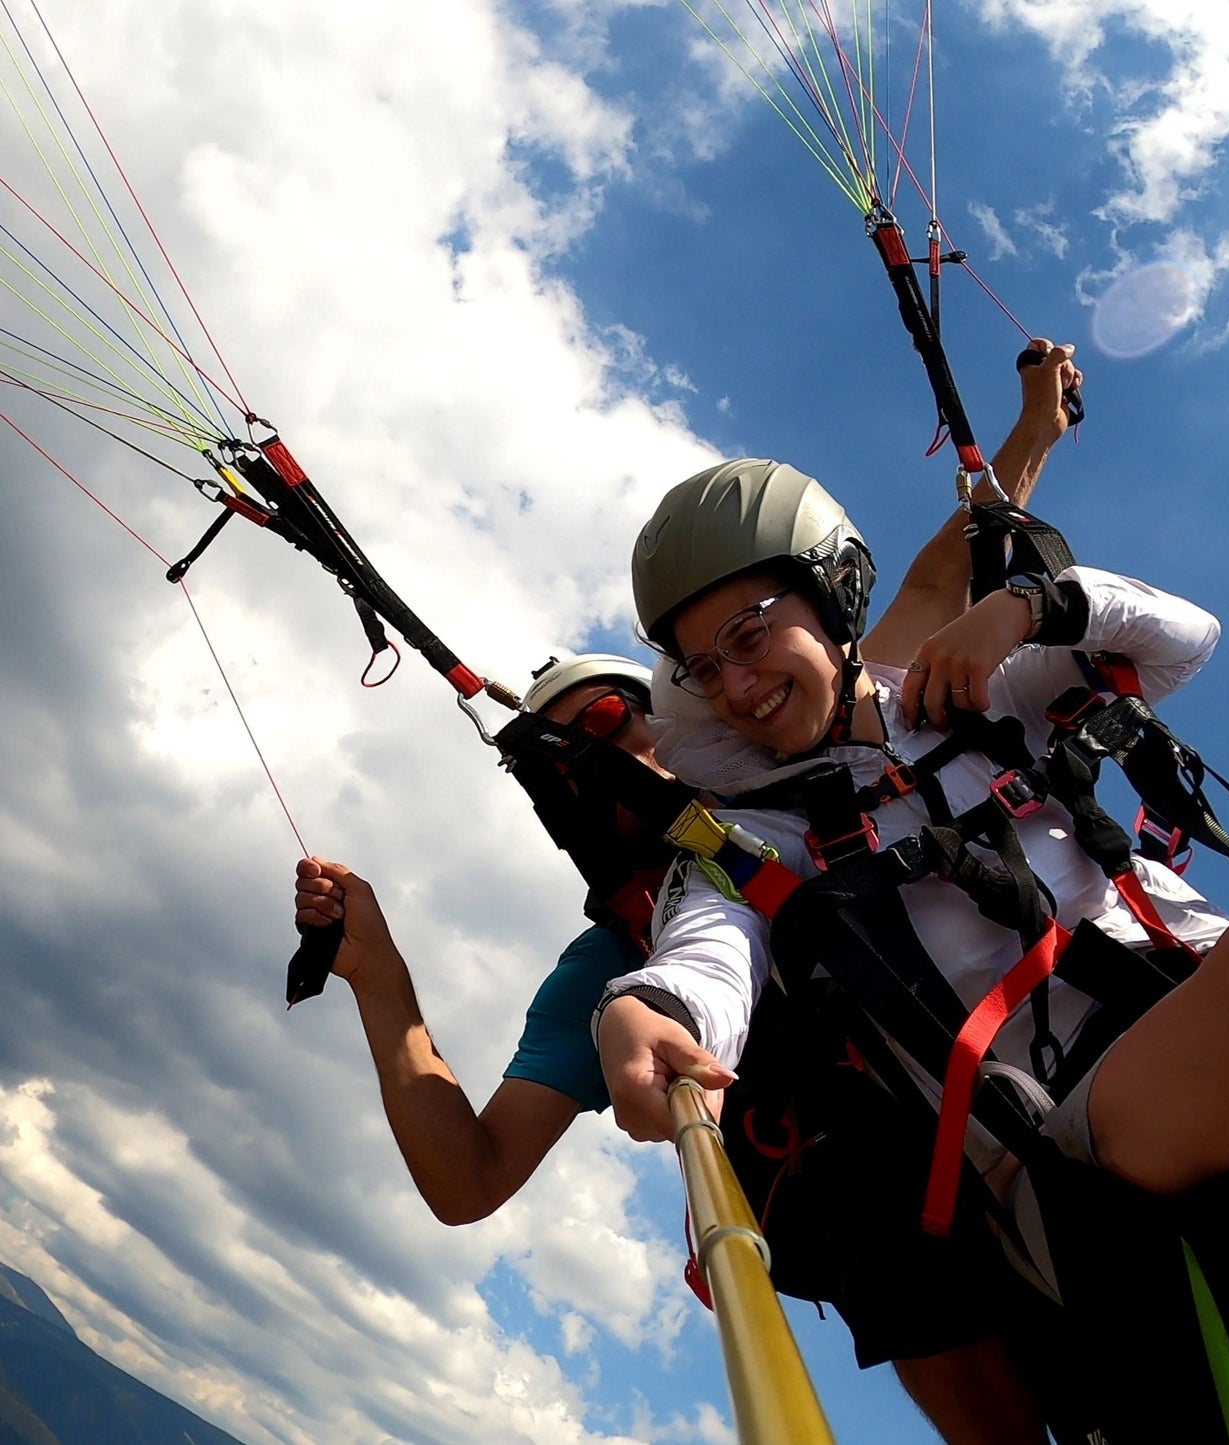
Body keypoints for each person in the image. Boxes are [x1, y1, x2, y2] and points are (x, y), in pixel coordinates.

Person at [294, 346, 1087, 1441]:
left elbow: (928, 586)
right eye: (559, 770)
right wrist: (380, 982)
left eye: (615, 731)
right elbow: (469, 1177)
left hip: (1041, 1094)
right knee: (857, 1189)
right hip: (905, 1223)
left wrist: (1031, 433)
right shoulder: (622, 961)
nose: (599, 774)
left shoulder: (831, 746)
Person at [596, 453, 1229, 1442]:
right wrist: (646, 1005)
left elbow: (1183, 640)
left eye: (749, 634)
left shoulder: (986, 692)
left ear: (833, 594)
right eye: (704, 665)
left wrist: (1031, 607)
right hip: (1069, 1141)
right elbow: (705, 951)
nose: (735, 684)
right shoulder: (753, 832)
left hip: (1207, 997)